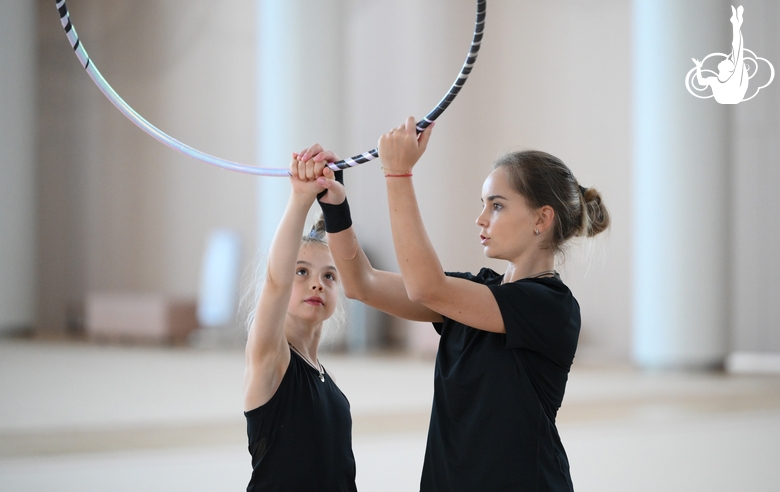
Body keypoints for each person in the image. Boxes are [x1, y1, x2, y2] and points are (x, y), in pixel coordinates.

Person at [298, 117, 610, 491]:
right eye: (484, 205)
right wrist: (335, 204)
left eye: (497, 206)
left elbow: (426, 287)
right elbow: (360, 283)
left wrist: (398, 176)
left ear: (542, 218)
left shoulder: (551, 307)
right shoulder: (472, 292)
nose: (481, 219)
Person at [243, 156, 356, 491]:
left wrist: (337, 206)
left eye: (329, 276)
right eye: (302, 272)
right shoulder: (271, 359)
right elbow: (276, 281)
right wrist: (300, 199)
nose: (317, 283)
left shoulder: (326, 378)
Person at [693, 5, 748, 104]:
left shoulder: (728, 79)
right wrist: (698, 67)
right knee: (737, 50)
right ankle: (736, 23)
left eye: (728, 61)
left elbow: (738, 50)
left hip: (732, 96)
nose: (725, 59)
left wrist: (698, 67)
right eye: (729, 61)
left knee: (737, 50)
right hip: (731, 96)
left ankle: (736, 23)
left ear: (729, 70)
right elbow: (701, 82)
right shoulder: (718, 80)